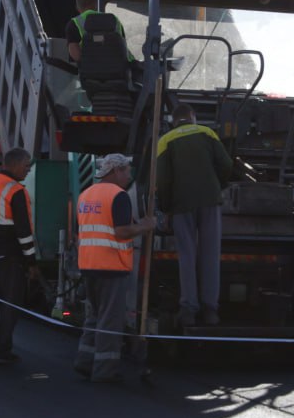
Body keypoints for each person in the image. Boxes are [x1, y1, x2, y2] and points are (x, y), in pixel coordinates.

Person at [74, 153, 156, 383]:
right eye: (126, 171)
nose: (129, 175)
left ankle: (84, 360)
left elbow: (79, 231)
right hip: (111, 265)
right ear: (115, 171)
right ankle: (104, 371)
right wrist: (144, 226)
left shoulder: (86, 194)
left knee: (95, 316)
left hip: (89, 264)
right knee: (110, 320)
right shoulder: (118, 196)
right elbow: (121, 232)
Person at [155, 102, 232, 326]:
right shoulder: (207, 133)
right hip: (210, 201)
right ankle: (210, 311)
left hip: (181, 205)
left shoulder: (165, 141)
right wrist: (217, 185)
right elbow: (227, 164)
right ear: (193, 117)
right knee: (210, 254)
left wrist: (166, 209)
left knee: (187, 256)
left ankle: (188, 309)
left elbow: (163, 181)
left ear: (173, 120)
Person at [0, 148, 42, 366]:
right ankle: (3, 351)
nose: (28, 169)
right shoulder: (15, 191)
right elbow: (23, 231)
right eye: (26, 165)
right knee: (10, 305)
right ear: (13, 164)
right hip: (8, 257)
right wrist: (31, 262)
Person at [65, 0, 132, 64]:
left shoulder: (74, 24)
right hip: (118, 70)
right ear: (95, 5)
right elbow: (123, 47)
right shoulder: (114, 20)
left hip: (90, 72)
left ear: (77, 7)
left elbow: (76, 55)